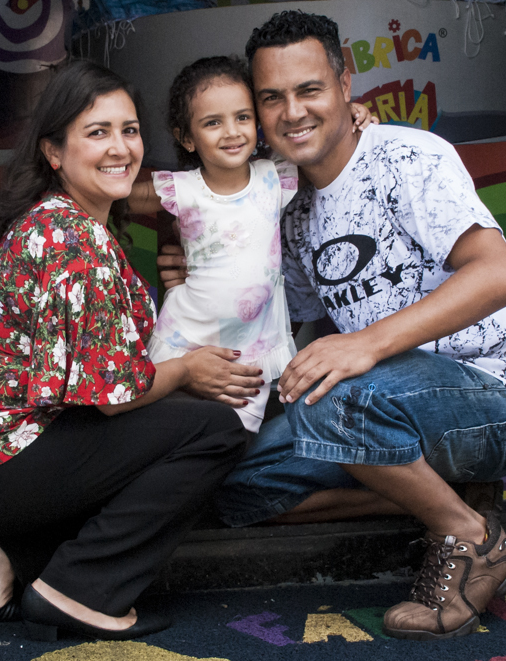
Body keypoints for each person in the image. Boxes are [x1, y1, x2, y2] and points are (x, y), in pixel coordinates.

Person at [159, 11, 506, 641]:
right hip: (379, 405)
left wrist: (360, 346)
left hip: (496, 393)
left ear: (346, 85)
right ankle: (451, 497)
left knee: (338, 387)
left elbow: (498, 275)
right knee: (226, 484)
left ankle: (472, 541)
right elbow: (265, 312)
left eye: (309, 89)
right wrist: (192, 263)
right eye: (272, 98)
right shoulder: (290, 210)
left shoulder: (406, 156)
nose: (293, 112)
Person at [0, 60, 260, 642]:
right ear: (54, 152)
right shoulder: (75, 242)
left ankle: (8, 550)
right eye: (97, 132)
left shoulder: (62, 219)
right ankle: (80, 591)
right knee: (214, 429)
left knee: (163, 434)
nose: (120, 147)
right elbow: (112, 401)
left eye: (129, 130)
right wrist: (184, 371)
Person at [127, 56, 375, 432]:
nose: (231, 132)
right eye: (213, 122)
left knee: (234, 446)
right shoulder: (181, 188)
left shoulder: (275, 176)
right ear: (186, 137)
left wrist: (351, 114)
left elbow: (328, 145)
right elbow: (114, 194)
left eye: (242, 117)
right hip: (186, 340)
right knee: (175, 434)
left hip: (254, 345)